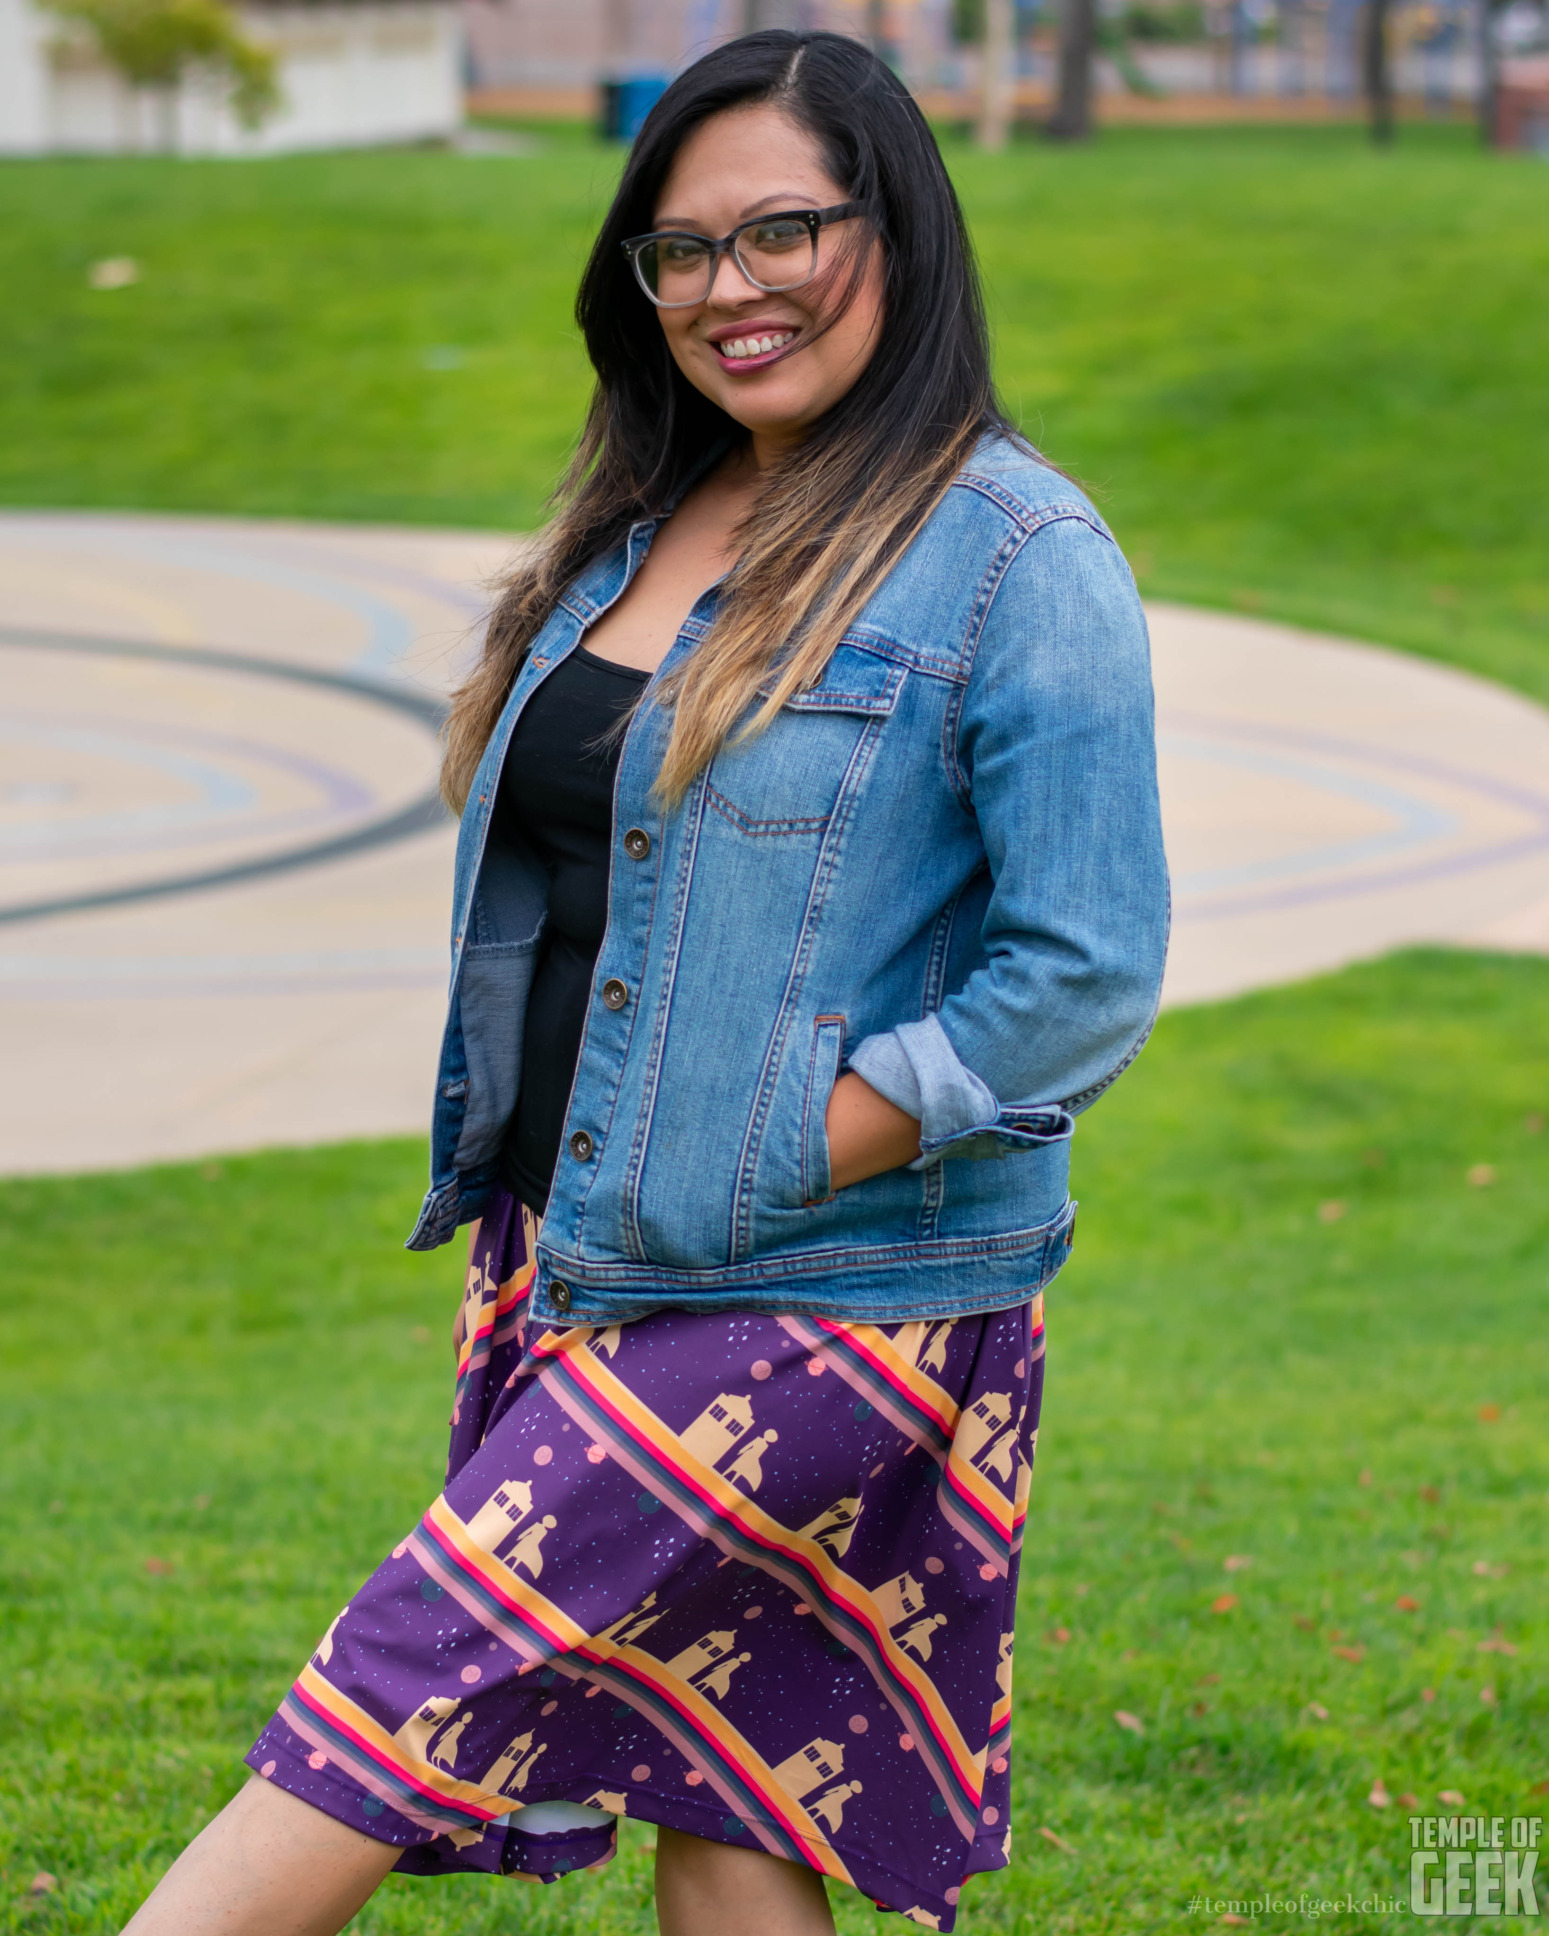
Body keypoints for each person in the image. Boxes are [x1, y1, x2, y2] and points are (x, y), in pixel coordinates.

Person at [122, 27, 1167, 1936]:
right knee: (733, 1787)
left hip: (826, 1287)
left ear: (899, 232)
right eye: (676, 252)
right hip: (569, 1253)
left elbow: (1084, 968)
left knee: (377, 1706)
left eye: (780, 231)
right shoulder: (640, 518)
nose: (726, 289)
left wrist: (783, 1151)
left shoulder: (1019, 553)